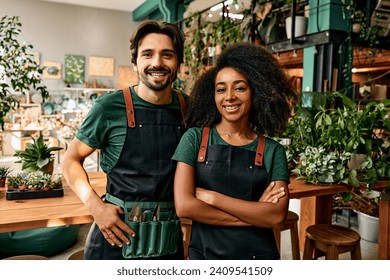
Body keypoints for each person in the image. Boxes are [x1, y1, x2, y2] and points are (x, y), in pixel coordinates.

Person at [61, 20, 188, 260]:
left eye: (167, 55)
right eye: (147, 54)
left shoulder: (188, 109)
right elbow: (70, 160)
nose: (157, 63)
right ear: (135, 62)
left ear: (178, 62)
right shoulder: (109, 108)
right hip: (115, 237)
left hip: (168, 241)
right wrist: (95, 206)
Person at [172, 42, 297, 260]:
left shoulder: (272, 151)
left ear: (256, 91)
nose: (229, 96)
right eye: (221, 89)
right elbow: (184, 207)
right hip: (205, 258)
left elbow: (277, 217)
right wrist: (257, 214)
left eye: (239, 87)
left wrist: (212, 197)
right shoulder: (193, 139)